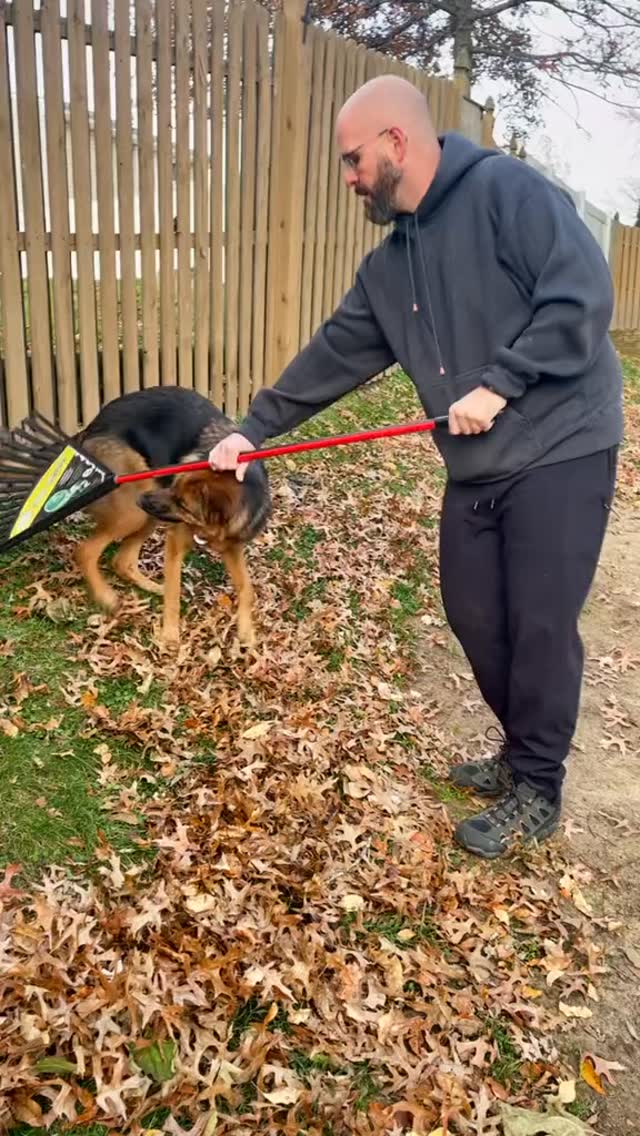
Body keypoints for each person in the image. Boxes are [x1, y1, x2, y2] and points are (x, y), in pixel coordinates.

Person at [208, 74, 624, 860]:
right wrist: (253, 429)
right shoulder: (390, 267)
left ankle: (537, 784)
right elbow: (335, 354)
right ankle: (520, 752)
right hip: (479, 464)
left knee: (539, 623)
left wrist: (502, 382)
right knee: (474, 614)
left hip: (564, 441)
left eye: (353, 159)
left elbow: (581, 293)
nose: (348, 177)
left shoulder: (505, 192)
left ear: (396, 142)